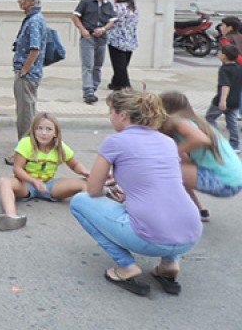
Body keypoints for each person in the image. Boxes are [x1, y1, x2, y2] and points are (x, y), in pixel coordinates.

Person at [70, 90, 203, 297]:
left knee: (79, 202)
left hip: (150, 238)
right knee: (168, 207)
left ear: (123, 115)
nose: (110, 117)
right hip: (191, 234)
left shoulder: (114, 142)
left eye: (111, 112)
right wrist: (130, 195)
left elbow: (93, 190)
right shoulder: (168, 142)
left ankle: (126, 266)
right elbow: (162, 185)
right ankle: (169, 264)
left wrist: (109, 191)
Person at [0, 113, 90, 231]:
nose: (43, 133)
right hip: (26, 184)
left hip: (48, 185)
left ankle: (90, 213)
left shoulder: (60, 147)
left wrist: (84, 172)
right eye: (39, 128)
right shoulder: (26, 143)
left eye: (48, 129)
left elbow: (75, 165)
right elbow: (17, 169)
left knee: (86, 183)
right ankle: (11, 216)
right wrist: (34, 181)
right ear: (33, 130)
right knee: (4, 182)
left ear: (55, 133)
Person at [160, 91, 242, 222]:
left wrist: (172, 152)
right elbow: (184, 160)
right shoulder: (197, 123)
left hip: (223, 181)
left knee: (163, 170)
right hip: (235, 180)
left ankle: (162, 213)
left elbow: (201, 139)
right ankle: (198, 210)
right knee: (176, 168)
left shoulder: (179, 122)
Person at [71, 0, 116, 104]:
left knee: (97, 65)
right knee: (88, 65)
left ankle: (93, 87)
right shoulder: (86, 2)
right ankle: (88, 91)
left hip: (101, 38)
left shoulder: (108, 5)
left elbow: (112, 21)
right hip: (88, 37)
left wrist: (103, 29)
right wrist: (82, 29)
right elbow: (75, 16)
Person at [12, 0, 47, 143]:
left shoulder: (34, 21)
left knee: (25, 115)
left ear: (32, 1)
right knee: (26, 111)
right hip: (28, 73)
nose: (19, 1)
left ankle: (26, 148)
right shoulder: (33, 19)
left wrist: (24, 71)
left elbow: (35, 49)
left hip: (28, 76)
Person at [205, 45, 242, 152]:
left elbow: (225, 85)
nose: (218, 54)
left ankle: (217, 140)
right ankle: (235, 144)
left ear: (225, 56)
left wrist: (222, 100)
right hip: (235, 100)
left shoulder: (224, 69)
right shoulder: (239, 68)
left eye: (220, 52)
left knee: (210, 117)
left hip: (222, 99)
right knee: (232, 122)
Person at [106, 0, 138, 91]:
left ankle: (125, 87)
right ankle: (115, 83)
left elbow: (109, 21)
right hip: (130, 40)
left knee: (119, 66)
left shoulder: (116, 8)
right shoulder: (133, 8)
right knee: (123, 65)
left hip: (116, 40)